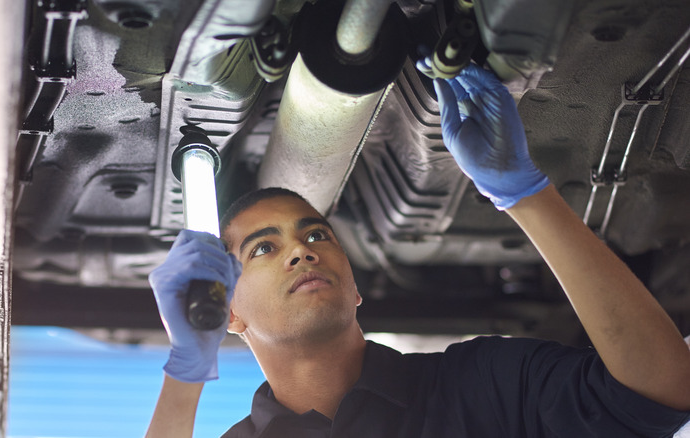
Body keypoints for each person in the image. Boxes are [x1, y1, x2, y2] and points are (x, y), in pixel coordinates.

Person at [144, 64, 690, 437]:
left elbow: (662, 393)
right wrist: (186, 369)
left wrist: (528, 197)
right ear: (231, 311)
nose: (301, 252)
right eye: (263, 248)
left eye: (316, 235)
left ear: (355, 287)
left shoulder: (486, 385)